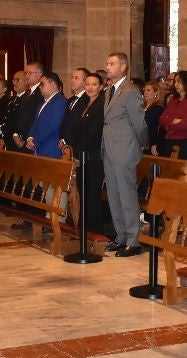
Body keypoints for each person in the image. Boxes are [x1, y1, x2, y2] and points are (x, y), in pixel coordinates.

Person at [101, 52, 147, 257]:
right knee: (114, 195)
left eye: (112, 64)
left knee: (127, 196)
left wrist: (140, 147)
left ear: (123, 68)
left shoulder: (130, 91)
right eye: (107, 63)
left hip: (124, 151)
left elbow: (139, 124)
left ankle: (133, 240)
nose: (108, 67)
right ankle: (120, 237)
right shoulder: (109, 90)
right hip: (109, 150)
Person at [69, 72, 108, 232]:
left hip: (94, 157)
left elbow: (95, 132)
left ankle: (94, 231)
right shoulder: (82, 102)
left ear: (101, 86)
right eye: (88, 84)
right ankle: (83, 229)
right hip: (80, 155)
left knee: (92, 195)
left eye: (94, 84)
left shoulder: (102, 104)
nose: (90, 87)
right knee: (83, 193)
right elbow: (74, 126)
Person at [156, 70, 187, 168]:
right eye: (175, 82)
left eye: (179, 82)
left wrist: (169, 121)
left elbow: (185, 125)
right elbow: (161, 119)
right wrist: (174, 121)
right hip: (169, 141)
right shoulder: (173, 100)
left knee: (182, 174)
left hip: (184, 143)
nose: (175, 84)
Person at [25, 71, 65, 158]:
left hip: (51, 149)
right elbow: (35, 123)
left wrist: (35, 141)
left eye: (42, 84)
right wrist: (29, 137)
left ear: (53, 84)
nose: (40, 87)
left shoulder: (60, 101)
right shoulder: (42, 103)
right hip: (40, 148)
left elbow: (53, 126)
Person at [9, 62, 44, 151]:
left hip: (31, 140)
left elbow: (37, 118)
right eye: (26, 73)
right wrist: (16, 134)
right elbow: (19, 116)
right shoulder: (27, 93)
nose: (27, 76)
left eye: (30, 73)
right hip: (20, 139)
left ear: (40, 75)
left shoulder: (42, 93)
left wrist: (29, 137)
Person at [142, 81, 164, 152]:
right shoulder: (140, 107)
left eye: (148, 90)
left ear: (156, 93)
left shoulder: (158, 108)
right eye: (144, 90)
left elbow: (153, 127)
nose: (145, 92)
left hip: (149, 143)